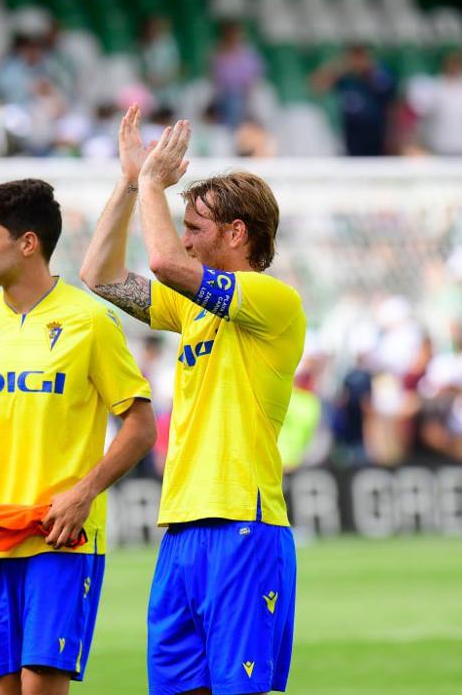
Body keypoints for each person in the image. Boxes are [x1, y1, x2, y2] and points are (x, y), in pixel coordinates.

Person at [80, 105, 305, 694]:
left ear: (236, 233)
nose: (184, 239)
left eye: (196, 228)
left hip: (242, 525)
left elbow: (163, 263)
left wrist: (154, 182)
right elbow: (99, 274)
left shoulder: (273, 302)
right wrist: (131, 184)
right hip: (182, 528)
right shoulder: (193, 309)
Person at [0, 179, 156, 693]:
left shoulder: (90, 320)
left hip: (61, 539)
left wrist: (84, 494)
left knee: (40, 688)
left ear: (28, 243)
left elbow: (141, 426)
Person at [311, 44, 397, 156]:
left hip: (378, 134)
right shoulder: (346, 79)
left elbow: (391, 101)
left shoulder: (382, 75)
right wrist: (338, 67)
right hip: (351, 134)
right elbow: (317, 87)